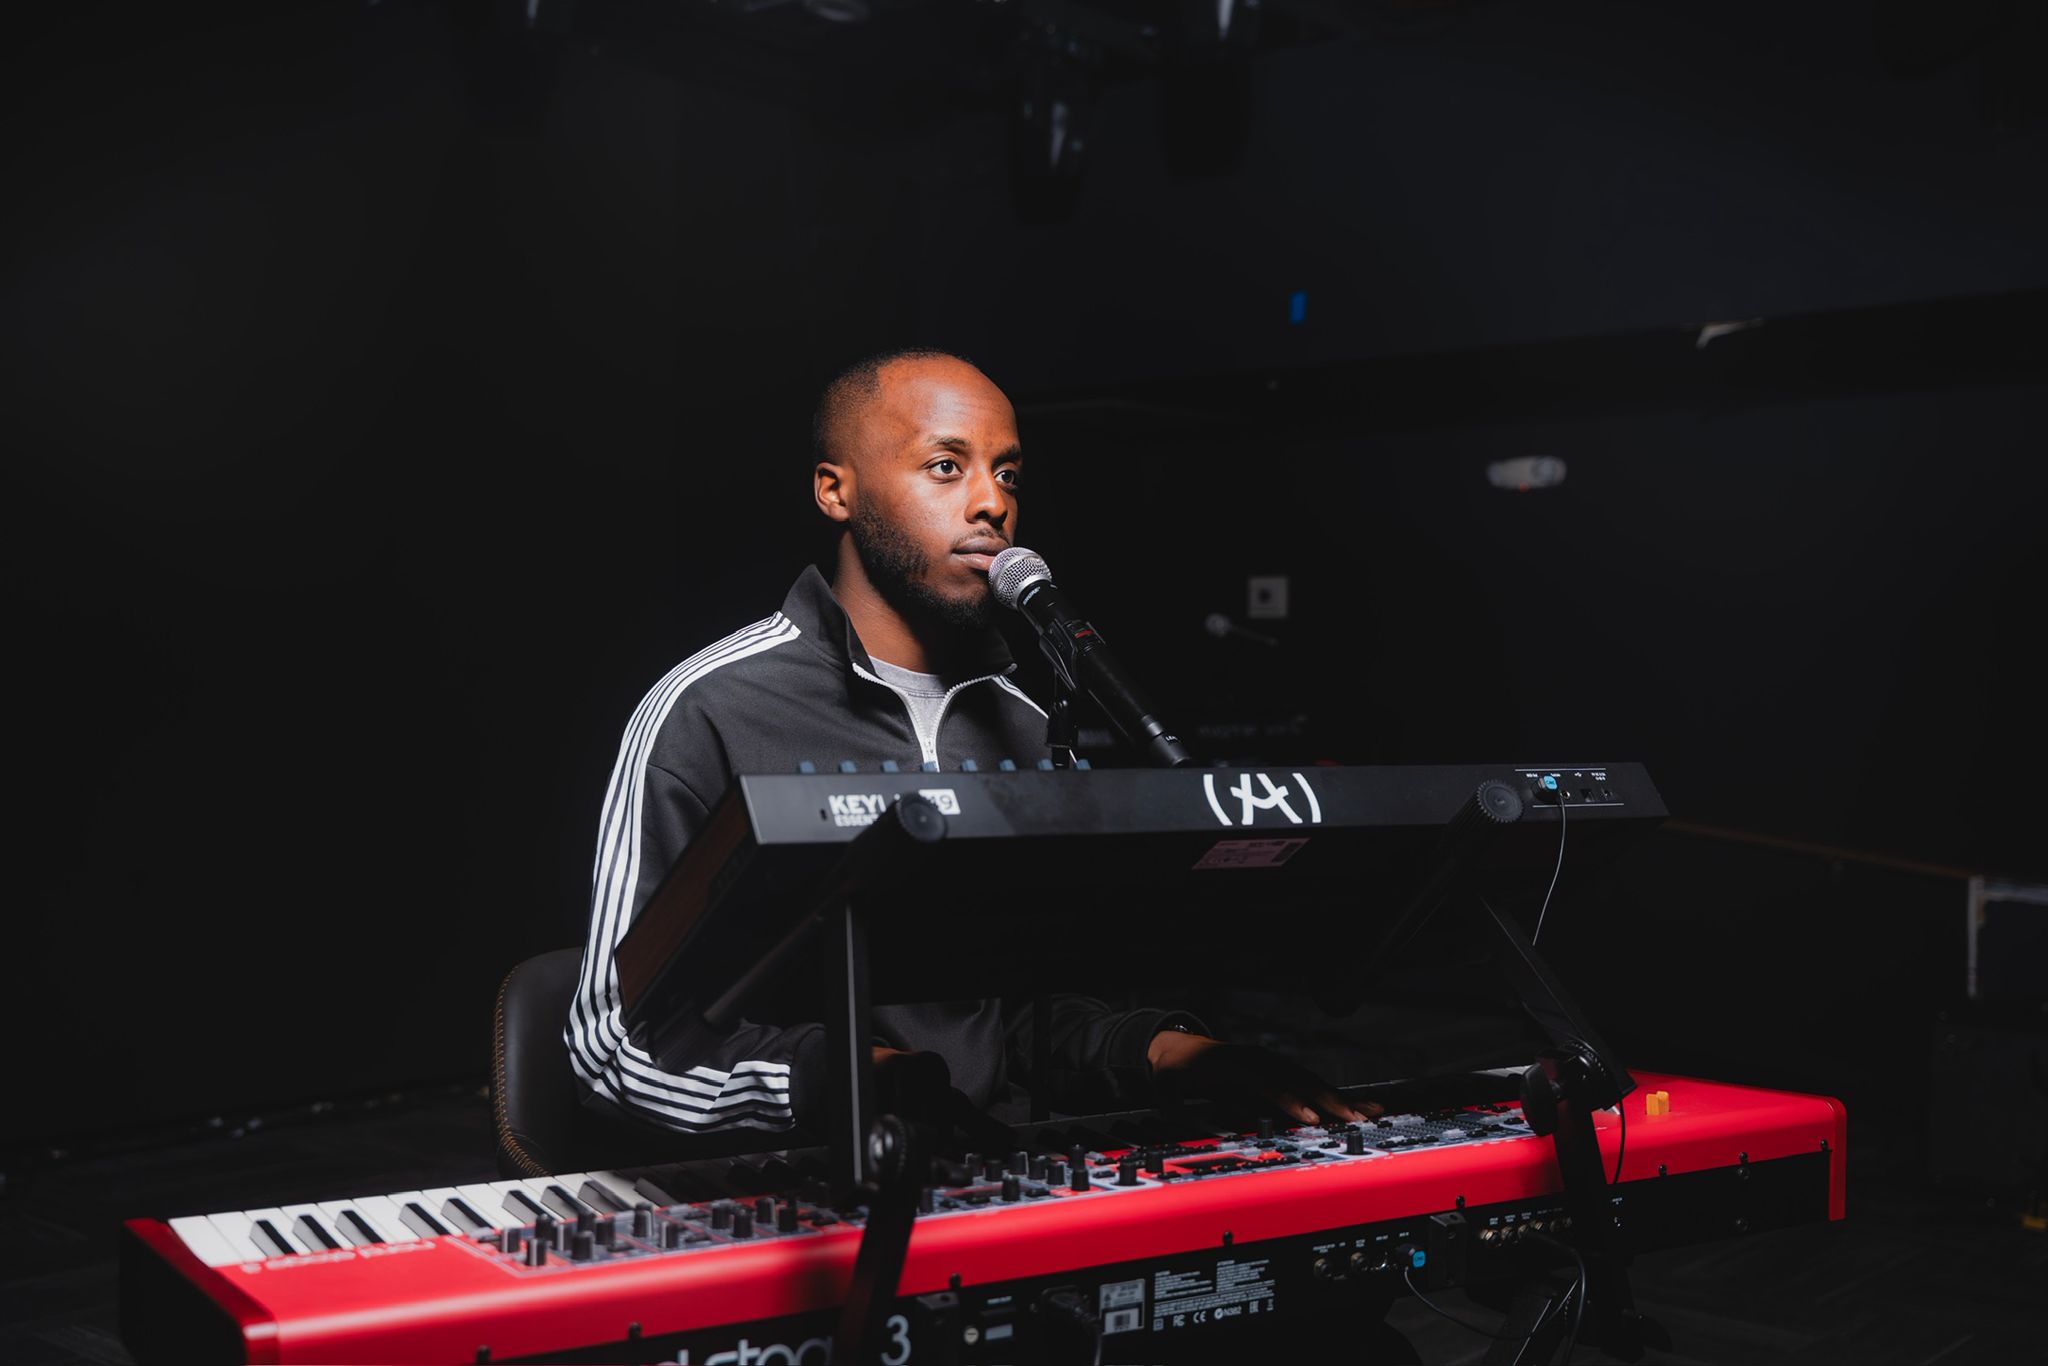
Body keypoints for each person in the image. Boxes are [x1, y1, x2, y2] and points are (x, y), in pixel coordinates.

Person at [563, 348, 1376, 1144]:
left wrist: (1174, 1054)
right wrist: (848, 1081)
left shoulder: (1029, 726)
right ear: (836, 490)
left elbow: (1022, 1016)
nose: (992, 503)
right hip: (800, 1181)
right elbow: (611, 1047)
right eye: (946, 467)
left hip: (990, 1170)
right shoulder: (710, 709)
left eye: (1008, 474)